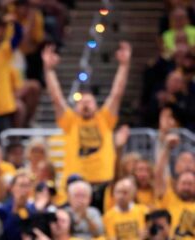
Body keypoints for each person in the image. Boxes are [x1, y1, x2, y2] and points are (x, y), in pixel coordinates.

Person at [41, 42, 132, 184]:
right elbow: (56, 97)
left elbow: (116, 93)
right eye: (82, 101)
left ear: (96, 105)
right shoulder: (70, 121)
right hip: (76, 181)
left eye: (89, 101)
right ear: (76, 107)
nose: (85, 104)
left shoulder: (105, 118)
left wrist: (124, 65)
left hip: (104, 180)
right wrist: (49, 70)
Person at [154, 133, 195, 238]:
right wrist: (166, 147)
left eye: (190, 184)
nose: (186, 187)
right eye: (184, 183)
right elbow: (159, 174)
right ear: (176, 185)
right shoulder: (169, 198)